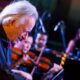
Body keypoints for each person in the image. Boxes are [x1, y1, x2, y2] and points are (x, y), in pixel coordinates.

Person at [0, 0, 38, 80]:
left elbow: (4, 70)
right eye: (25, 31)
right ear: (12, 22)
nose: (25, 37)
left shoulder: (7, 43)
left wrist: (15, 72)